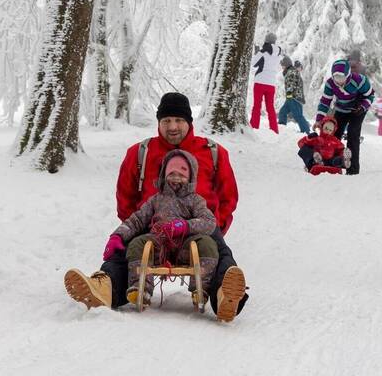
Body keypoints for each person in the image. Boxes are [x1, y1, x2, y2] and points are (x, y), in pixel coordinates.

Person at [64, 92, 248, 322]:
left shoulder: (212, 152)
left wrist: (211, 227)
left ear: (189, 123)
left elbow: (228, 196)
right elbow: (125, 196)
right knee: (124, 252)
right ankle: (104, 287)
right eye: (166, 121)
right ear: (158, 123)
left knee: (219, 252)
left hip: (198, 225)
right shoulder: (140, 153)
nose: (172, 126)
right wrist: (132, 230)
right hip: (153, 225)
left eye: (179, 120)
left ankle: (224, 295)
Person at [104, 150, 218, 305]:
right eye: (171, 173)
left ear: (191, 177)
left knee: (207, 244)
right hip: (159, 244)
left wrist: (185, 226)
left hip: (186, 246)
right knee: (138, 243)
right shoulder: (156, 200)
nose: (176, 178)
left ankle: (201, 289)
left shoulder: (195, 200)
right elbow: (137, 220)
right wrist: (117, 236)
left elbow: (209, 221)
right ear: (164, 175)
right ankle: (140, 288)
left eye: (182, 174)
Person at [315, 59, 375, 175]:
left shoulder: (359, 81)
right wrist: (318, 120)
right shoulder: (330, 84)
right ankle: (333, 165)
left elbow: (370, 96)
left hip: (358, 110)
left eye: (341, 78)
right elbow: (325, 102)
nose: (339, 82)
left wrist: (362, 107)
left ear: (348, 75)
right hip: (341, 109)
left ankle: (352, 170)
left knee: (353, 134)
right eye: (336, 78)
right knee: (333, 135)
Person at [250, 34, 284, 132]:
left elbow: (253, 64)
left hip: (260, 81)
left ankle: (254, 127)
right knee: (270, 107)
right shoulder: (278, 54)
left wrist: (256, 52)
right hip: (271, 84)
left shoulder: (263, 52)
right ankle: (274, 129)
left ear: (266, 40)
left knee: (257, 106)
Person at [278, 56, 311, 134]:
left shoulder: (291, 72)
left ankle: (306, 131)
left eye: (282, 65)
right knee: (282, 112)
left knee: (297, 115)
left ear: (286, 64)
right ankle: (281, 127)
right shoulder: (291, 71)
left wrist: (289, 96)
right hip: (291, 97)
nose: (282, 67)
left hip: (294, 97)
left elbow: (291, 85)